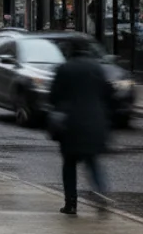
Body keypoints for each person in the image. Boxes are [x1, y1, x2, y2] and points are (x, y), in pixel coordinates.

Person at [49, 38, 115, 215]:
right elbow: (108, 93)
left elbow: (53, 96)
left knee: (69, 165)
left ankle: (71, 203)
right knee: (92, 162)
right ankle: (101, 193)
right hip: (95, 121)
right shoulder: (97, 68)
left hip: (70, 124)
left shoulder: (64, 68)